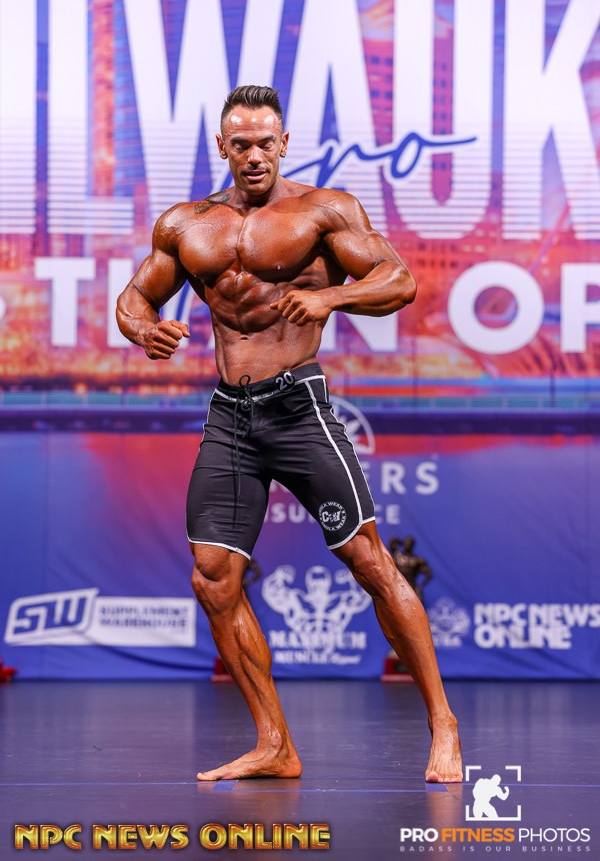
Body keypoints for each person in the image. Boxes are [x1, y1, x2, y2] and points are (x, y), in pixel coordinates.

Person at [116, 85, 462, 783]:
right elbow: (135, 297)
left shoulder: (322, 210)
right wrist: (143, 329)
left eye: (265, 143)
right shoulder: (185, 224)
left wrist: (331, 295)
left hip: (298, 408)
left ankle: (444, 725)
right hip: (230, 416)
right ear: (222, 146)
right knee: (213, 579)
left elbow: (398, 281)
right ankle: (275, 743)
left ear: (284, 144)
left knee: (369, 561)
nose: (254, 155)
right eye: (240, 143)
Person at [389, 536, 433, 604]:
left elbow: (429, 574)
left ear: (412, 545)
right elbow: (393, 541)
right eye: (406, 543)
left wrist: (420, 586)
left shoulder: (416, 561)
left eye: (409, 544)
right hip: (397, 588)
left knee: (416, 605)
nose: (407, 545)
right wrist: (401, 542)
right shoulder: (398, 556)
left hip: (411, 589)